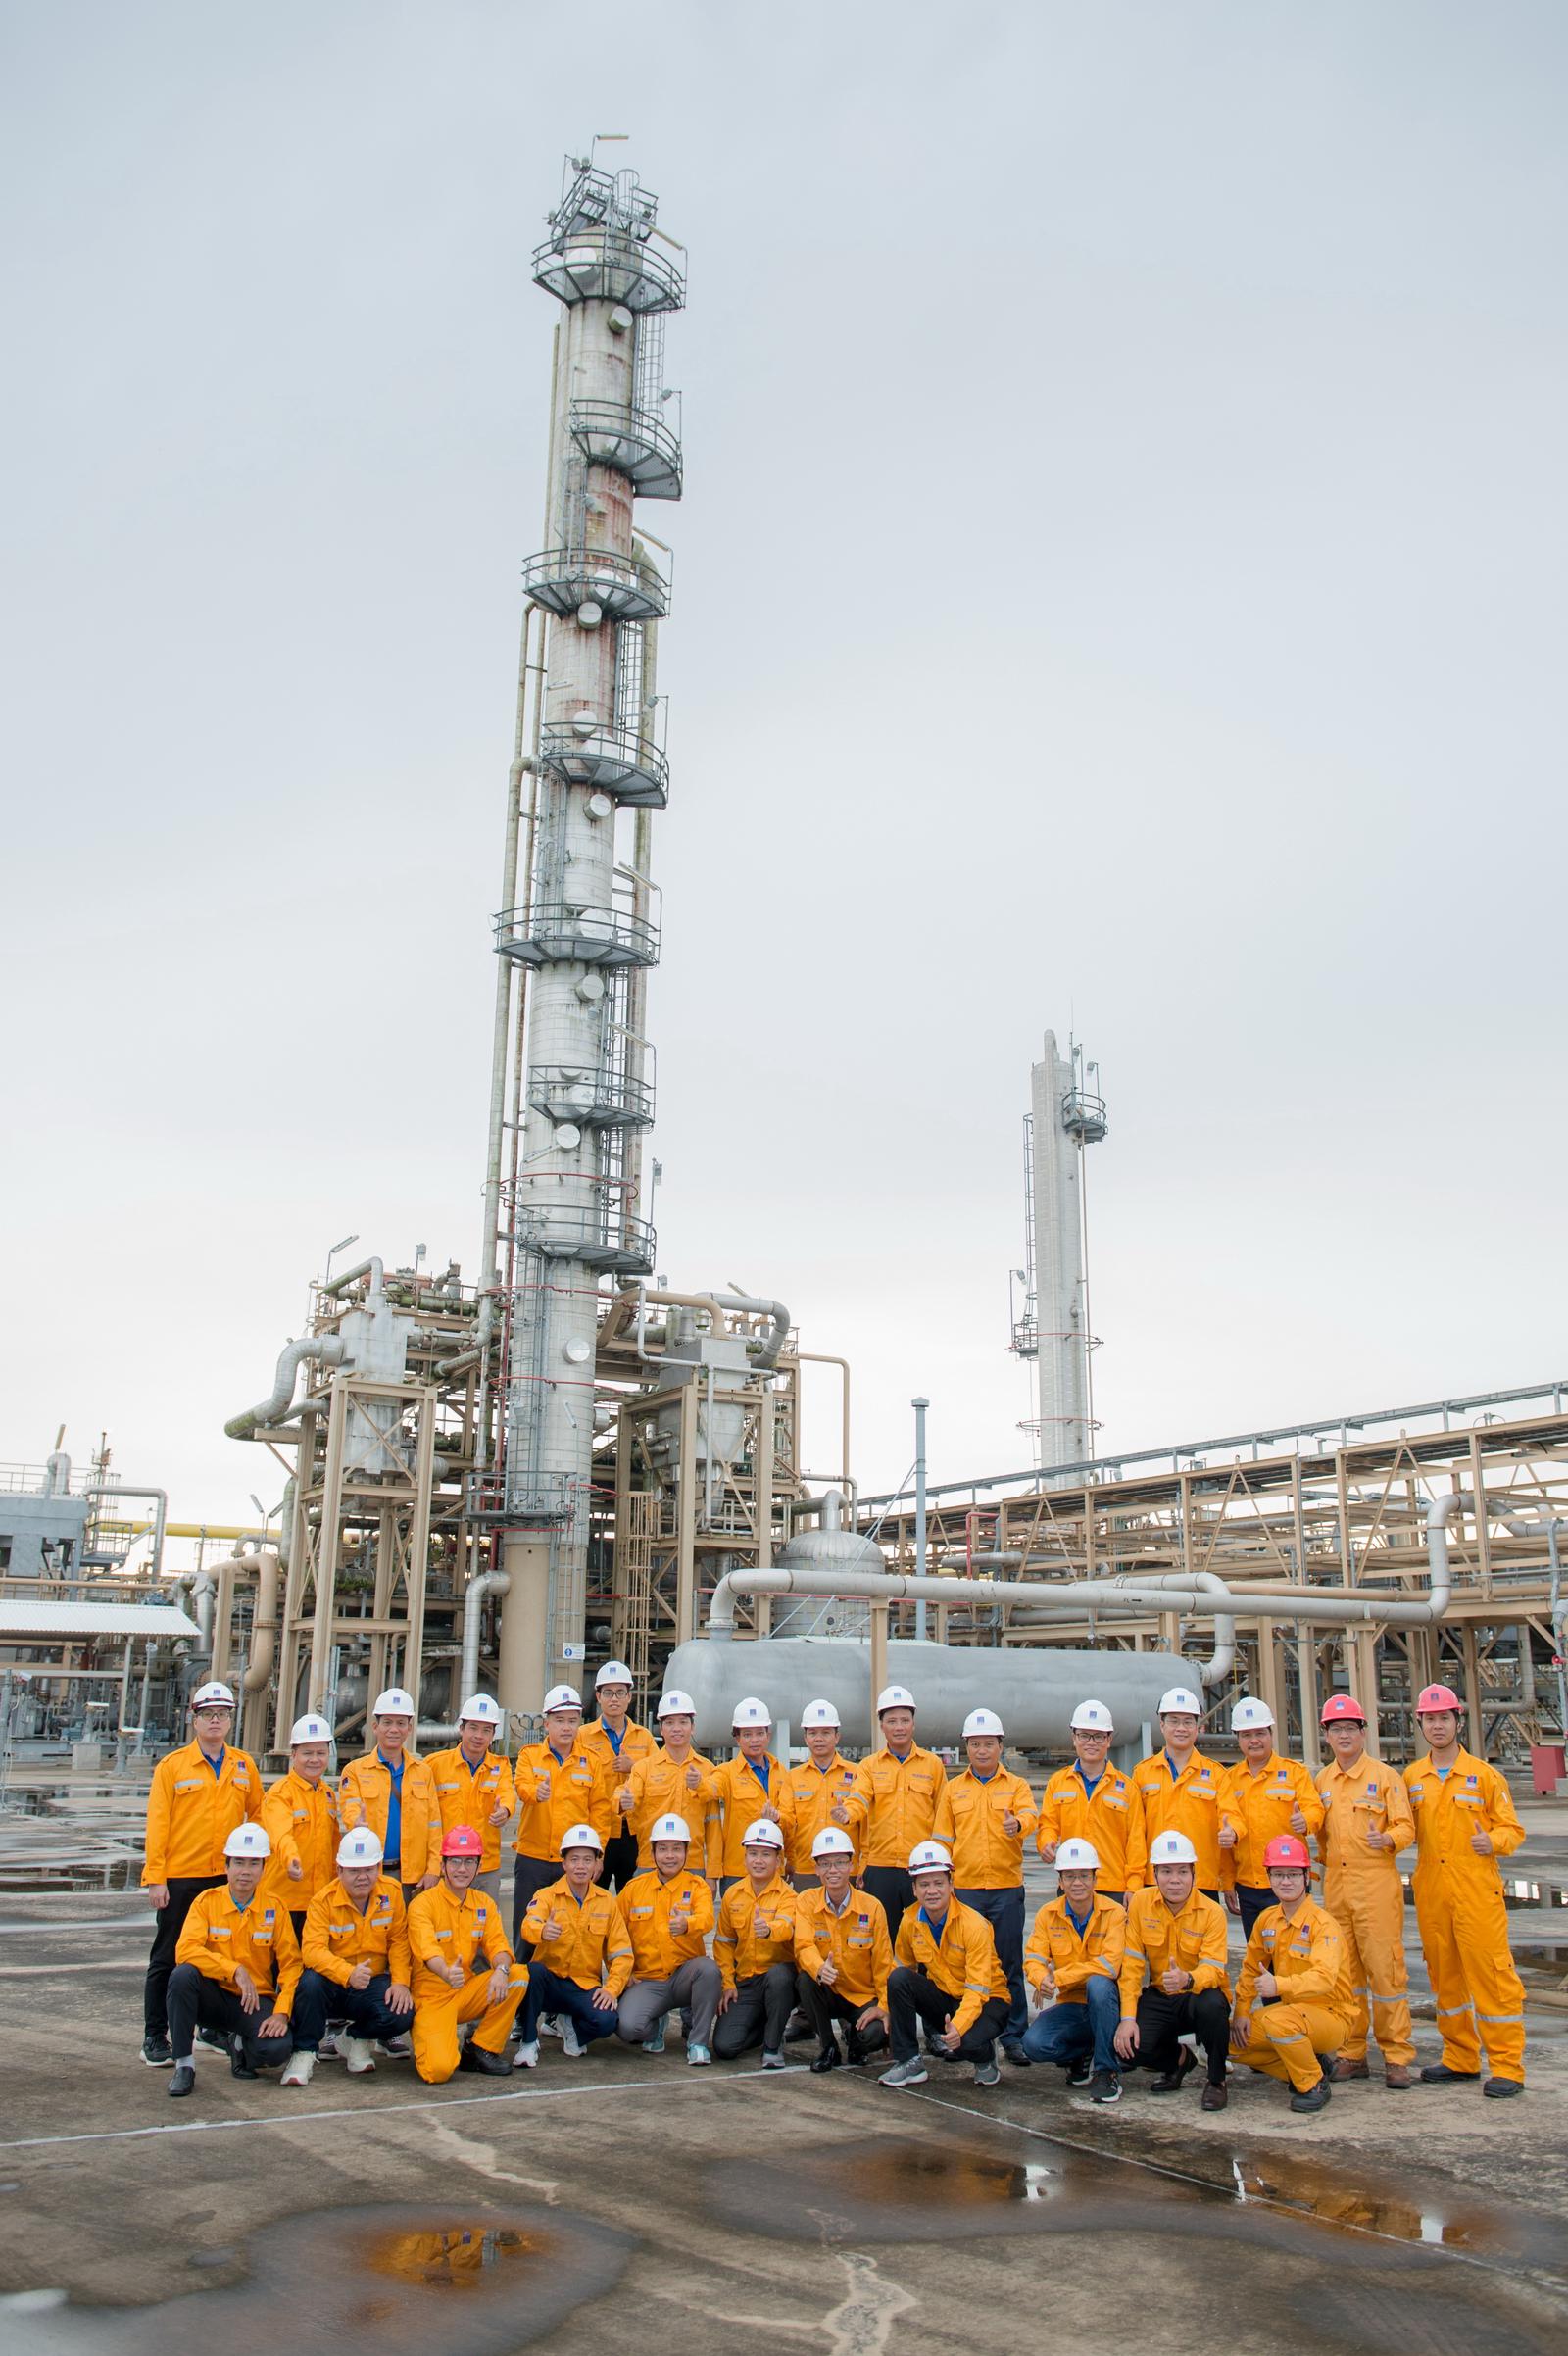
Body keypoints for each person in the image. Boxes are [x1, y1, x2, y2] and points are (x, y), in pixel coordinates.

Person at [1404, 1682, 1527, 2097]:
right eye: (1430, 1720)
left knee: (1492, 1976)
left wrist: (1492, 1841)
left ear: (1457, 1721)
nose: (1437, 1726)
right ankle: (1460, 2057)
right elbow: (1403, 1828)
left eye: (1444, 1718)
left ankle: (1507, 2066)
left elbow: (1512, 1829)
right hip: (1433, 1892)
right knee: (1445, 1978)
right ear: (1420, 1724)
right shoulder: (1413, 1778)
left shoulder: (1485, 1776)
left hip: (1476, 1892)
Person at [140, 1679, 263, 2068]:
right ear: (194, 1719)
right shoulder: (173, 1767)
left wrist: (253, 1863)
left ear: (230, 1720)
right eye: (208, 1714)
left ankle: (210, 2029)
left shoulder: (243, 1765)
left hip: (225, 1878)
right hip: (181, 1877)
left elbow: (259, 1815)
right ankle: (155, 2035)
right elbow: (158, 1824)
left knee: (219, 1955)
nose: (215, 1721)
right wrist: (156, 1878)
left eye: (222, 1714)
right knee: (168, 1956)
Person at [1314, 1692, 1417, 2089]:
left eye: (1350, 1728)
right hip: (1336, 1887)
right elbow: (1318, 1833)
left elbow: (1406, 1826)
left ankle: (1396, 2056)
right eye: (1336, 1729)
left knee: (1385, 1972)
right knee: (1346, 1974)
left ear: (1363, 1732)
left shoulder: (1385, 1778)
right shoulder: (1323, 1781)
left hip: (1375, 1886)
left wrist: (1388, 1839)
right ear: (1326, 1735)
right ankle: (1352, 2052)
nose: (1344, 1735)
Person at [932, 1707, 1037, 2065]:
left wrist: (1017, 1825)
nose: (981, 1750)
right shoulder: (953, 1790)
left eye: (988, 1744)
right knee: (965, 1967)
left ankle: (1013, 2035)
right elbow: (942, 1838)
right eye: (975, 1744)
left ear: (1000, 1746)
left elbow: (1030, 1815)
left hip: (1006, 1889)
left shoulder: (1016, 1786)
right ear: (966, 1747)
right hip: (966, 1891)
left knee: (1009, 1966)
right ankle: (969, 2035)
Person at [166, 1822, 298, 2099]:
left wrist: (281, 2012)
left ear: (263, 1868)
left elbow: (292, 1964)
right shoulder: (206, 1902)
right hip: (213, 1997)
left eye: (253, 1863)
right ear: (226, 1866)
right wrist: (233, 1969)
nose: (245, 1871)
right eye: (238, 1862)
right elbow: (185, 1950)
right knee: (182, 1976)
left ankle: (239, 2045)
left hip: (254, 2001)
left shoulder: (275, 1907)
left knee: (277, 2050)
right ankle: (184, 2064)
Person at [1229, 1834, 1354, 2114]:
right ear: (1269, 1878)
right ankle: (1308, 2065)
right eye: (1278, 1874)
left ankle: (1313, 2084)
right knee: (1229, 2043)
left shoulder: (1323, 1925)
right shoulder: (1267, 1919)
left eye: (1293, 1874)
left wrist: (1279, 1985)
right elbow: (1250, 1968)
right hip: (1292, 2014)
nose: (1285, 1881)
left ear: (1307, 1877)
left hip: (1331, 2016)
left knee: (1279, 2022)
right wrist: (1242, 2011)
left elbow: (1324, 1977)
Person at [879, 1840, 1011, 2090]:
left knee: (965, 2044)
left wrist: (958, 2028)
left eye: (939, 1883)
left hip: (988, 2000)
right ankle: (909, 2062)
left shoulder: (974, 1925)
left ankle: (985, 2057)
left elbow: (978, 1989)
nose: (932, 1891)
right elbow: (901, 1966)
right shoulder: (910, 1921)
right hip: (947, 1997)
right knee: (899, 1978)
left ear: (951, 1884)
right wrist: (884, 2007)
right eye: (924, 1884)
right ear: (914, 1889)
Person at [287, 1824, 414, 2086]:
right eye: (354, 1870)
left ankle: (355, 2038)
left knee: (402, 2011)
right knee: (309, 1983)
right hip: (333, 1984)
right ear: (339, 1870)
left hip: (371, 1982)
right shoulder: (323, 1901)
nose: (362, 1877)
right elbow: (312, 1951)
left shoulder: (391, 1893)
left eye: (369, 1869)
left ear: (379, 1868)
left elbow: (399, 1941)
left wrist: (401, 1982)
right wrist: (347, 1973)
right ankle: (304, 2052)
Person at [1114, 1829, 1232, 2109]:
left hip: (1198, 1995)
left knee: (1213, 2006)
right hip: (1161, 1995)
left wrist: (1187, 1979)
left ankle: (1216, 2080)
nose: (1175, 1880)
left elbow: (1214, 1969)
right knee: (1129, 2049)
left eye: (1182, 1871)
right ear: (1154, 1874)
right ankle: (1179, 2060)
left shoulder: (1212, 1912)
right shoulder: (1141, 1903)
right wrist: (1128, 2018)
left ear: (1194, 1873)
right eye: (1166, 1871)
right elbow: (1131, 1966)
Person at [406, 1826, 526, 2083]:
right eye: (455, 1861)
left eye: (469, 1861)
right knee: (438, 2071)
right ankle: (434, 2036)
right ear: (443, 1865)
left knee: (517, 1975)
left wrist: (501, 1970)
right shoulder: (423, 1905)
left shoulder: (483, 1904)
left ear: (479, 1866)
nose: (462, 1869)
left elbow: (499, 1946)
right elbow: (427, 1950)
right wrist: (445, 1971)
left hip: (465, 1991)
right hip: (432, 1998)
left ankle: (481, 2048)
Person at [514, 1824, 631, 2069]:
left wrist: (611, 1989)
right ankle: (529, 2042)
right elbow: (528, 1924)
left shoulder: (607, 1902)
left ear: (597, 1864)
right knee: (532, 1972)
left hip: (583, 1985)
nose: (581, 1866)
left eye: (588, 1860)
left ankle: (571, 2026)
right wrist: (541, 1930)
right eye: (574, 1859)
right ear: (564, 1863)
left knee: (607, 2021)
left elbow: (621, 1953)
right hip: (549, 1983)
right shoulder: (547, 1896)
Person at [1021, 1836, 1127, 2102]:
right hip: (1072, 2005)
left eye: (1083, 1876)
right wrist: (1041, 1979)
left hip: (1107, 2005)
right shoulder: (1048, 1914)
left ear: (1095, 1879)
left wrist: (1058, 1976)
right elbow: (1033, 1957)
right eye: (1070, 1876)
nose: (1077, 1883)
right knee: (1034, 2045)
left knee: (1098, 1983)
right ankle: (1085, 2051)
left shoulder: (1114, 1913)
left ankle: (1106, 2071)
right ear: (1060, 1881)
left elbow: (1109, 1965)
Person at [614, 1812, 720, 2065]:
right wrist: (623, 1973)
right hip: (648, 1979)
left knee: (709, 1971)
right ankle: (656, 2026)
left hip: (684, 1976)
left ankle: (697, 2043)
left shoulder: (697, 1886)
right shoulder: (633, 1889)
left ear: (686, 1852)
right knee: (628, 2028)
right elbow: (614, 1934)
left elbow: (707, 1918)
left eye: (676, 1849)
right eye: (663, 1849)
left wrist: (687, 1924)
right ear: (652, 1853)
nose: (670, 1856)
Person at [1219, 1698, 1325, 1938]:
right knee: (1257, 1951)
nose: (1254, 1740)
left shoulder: (1295, 1773)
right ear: (1238, 1738)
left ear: (1271, 1734)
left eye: (1260, 1733)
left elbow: (1315, 1809)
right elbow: (1226, 1832)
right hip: (1248, 1885)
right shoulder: (1229, 1779)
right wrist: (1227, 1882)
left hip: (1289, 1881)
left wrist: (1306, 1820)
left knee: (1294, 1948)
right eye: (1246, 1735)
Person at [511, 1684, 607, 1946]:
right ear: (546, 1724)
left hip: (573, 1860)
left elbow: (600, 1810)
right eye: (560, 1720)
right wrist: (535, 1792)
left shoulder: (591, 1761)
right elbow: (522, 1786)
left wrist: (599, 1854)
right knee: (526, 1929)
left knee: (570, 1932)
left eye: (572, 1721)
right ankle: (522, 1971)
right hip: (533, 1858)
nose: (566, 1727)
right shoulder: (530, 1756)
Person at [794, 1825, 892, 2072]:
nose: (833, 1870)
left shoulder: (872, 1907)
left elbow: (883, 1962)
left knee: (877, 2034)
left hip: (861, 1995)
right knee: (805, 1980)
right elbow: (803, 1945)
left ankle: (857, 2043)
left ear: (851, 1865)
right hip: (828, 1991)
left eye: (839, 1862)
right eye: (825, 1864)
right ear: (816, 1869)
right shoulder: (806, 1901)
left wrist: (884, 2006)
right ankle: (828, 2047)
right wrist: (819, 1968)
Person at [851, 1685, 947, 1934]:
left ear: (914, 1724)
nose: (899, 1727)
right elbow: (859, 1800)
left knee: (924, 1935)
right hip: (880, 1867)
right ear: (882, 1726)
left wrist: (943, 1863)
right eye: (892, 1721)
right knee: (882, 1936)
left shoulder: (932, 1765)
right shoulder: (869, 1766)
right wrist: (848, 1813)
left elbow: (944, 1817)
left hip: (922, 1867)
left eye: (905, 1720)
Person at [1036, 1698, 1146, 1903]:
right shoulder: (1058, 1783)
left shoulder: (1127, 1788)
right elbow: (1048, 1823)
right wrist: (1046, 1843)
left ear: (1109, 1739)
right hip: (1072, 1884)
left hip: (1113, 1886)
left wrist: (1134, 1885)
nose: (1091, 1743)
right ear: (1074, 1738)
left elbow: (1136, 1841)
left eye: (1098, 1736)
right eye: (1084, 1735)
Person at [338, 1688, 442, 1904]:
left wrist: (434, 1868)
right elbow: (350, 1806)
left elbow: (434, 1825)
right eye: (387, 1722)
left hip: (412, 1877)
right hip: (370, 1872)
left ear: (409, 1728)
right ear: (375, 1727)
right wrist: (355, 1822)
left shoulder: (423, 1772)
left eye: (400, 1723)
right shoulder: (355, 1771)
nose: (394, 1729)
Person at [712, 1818, 798, 2065]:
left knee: (779, 1977)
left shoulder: (789, 1896)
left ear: (778, 1860)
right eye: (753, 1853)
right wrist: (728, 1983)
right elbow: (724, 1943)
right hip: (746, 1981)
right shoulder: (733, 1894)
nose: (758, 1860)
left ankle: (773, 2045)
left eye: (766, 1854)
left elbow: (787, 1925)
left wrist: (769, 1929)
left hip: (778, 1981)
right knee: (725, 2047)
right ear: (745, 1857)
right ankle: (767, 2025)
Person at [1133, 1686, 1228, 1905]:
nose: (1181, 1728)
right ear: (1162, 1725)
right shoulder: (1143, 1773)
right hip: (1155, 1879)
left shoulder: (1216, 1774)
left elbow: (1231, 1815)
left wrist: (1232, 1830)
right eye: (1174, 1721)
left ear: (1198, 1727)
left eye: (1188, 1722)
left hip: (1201, 1879)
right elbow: (1135, 1833)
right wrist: (1135, 1880)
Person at [616, 1690, 719, 1878]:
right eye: (670, 1723)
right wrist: (622, 1801)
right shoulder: (643, 1768)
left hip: (692, 1866)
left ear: (692, 1727)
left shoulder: (707, 1770)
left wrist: (712, 1874)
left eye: (683, 1722)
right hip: (650, 1864)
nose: (676, 1728)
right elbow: (625, 1793)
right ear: (661, 1729)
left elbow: (713, 1827)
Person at [425, 1694, 516, 1906]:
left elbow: (507, 1793)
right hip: (446, 1864)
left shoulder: (500, 1766)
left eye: (486, 1730)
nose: (479, 1736)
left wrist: (505, 1810)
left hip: (485, 1866)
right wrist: (432, 1865)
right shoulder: (435, 1765)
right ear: (461, 1728)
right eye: (473, 1728)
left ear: (493, 1735)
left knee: (485, 1921)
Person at [579, 1660, 658, 1893]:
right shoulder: (582, 1736)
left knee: (633, 1898)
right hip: (598, 1830)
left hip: (633, 1833)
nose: (614, 1699)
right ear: (598, 1697)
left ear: (629, 1697)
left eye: (620, 1693)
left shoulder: (644, 1737)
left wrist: (634, 1767)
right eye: (608, 1693)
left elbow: (659, 1776)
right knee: (593, 1897)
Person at [261, 1713, 340, 1939]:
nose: (314, 1759)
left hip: (319, 1901)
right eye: (307, 1753)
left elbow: (333, 1845)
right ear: (293, 1755)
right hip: (285, 1900)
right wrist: (291, 1860)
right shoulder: (280, 1794)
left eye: (320, 1753)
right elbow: (281, 1835)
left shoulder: (328, 1794)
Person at [710, 1698, 795, 1891]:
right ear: (737, 1738)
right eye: (747, 1734)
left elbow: (791, 1819)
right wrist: (697, 1783)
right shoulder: (726, 1772)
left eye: (760, 1733)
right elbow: (710, 1788)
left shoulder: (781, 1772)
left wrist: (778, 1818)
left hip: (774, 1868)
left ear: (768, 1735)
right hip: (737, 1870)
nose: (754, 1739)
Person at [786, 1699, 863, 1888]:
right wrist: (789, 1860)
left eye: (826, 1732)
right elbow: (787, 1823)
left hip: (846, 1869)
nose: (819, 1738)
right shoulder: (793, 1777)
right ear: (805, 1738)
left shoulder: (857, 1773)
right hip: (807, 1869)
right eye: (813, 1733)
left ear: (837, 1737)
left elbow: (866, 1822)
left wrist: (864, 1863)